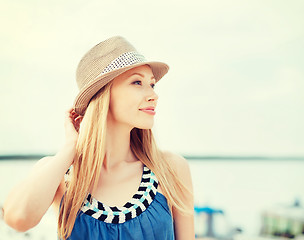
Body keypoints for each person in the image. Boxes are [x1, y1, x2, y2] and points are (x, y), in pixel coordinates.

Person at [3, 36, 195, 240]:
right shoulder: (62, 174)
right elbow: (17, 219)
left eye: (152, 85)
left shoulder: (170, 169)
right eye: (137, 82)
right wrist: (70, 148)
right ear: (103, 94)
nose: (153, 95)